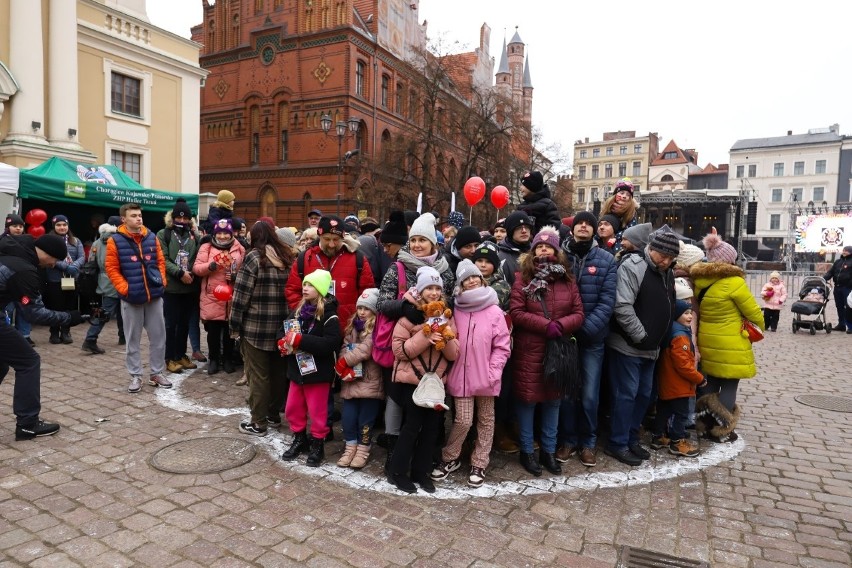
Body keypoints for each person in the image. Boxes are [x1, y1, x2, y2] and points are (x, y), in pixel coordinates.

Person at [376, 212, 455, 472]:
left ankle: (425, 454)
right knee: (398, 401)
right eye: (415, 240)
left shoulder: (446, 270)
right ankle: (394, 451)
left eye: (423, 240)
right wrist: (403, 307)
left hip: (436, 348)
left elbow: (450, 303)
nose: (418, 245)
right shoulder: (397, 267)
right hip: (406, 343)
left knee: (431, 399)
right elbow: (381, 303)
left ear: (434, 243)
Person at [510, 226, 584, 477]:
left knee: (553, 402)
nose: (543, 249)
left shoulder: (567, 279)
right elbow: (516, 312)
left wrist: (561, 325)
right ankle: (527, 451)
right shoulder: (522, 278)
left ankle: (549, 451)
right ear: (532, 251)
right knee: (528, 402)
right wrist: (545, 325)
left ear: (557, 249)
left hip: (558, 351)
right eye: (539, 246)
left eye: (548, 245)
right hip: (530, 350)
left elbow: (578, 313)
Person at [431, 260, 510, 487]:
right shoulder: (456, 309)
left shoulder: (494, 310)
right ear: (460, 285)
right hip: (461, 376)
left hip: (486, 377)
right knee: (463, 420)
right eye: (466, 279)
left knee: (486, 420)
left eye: (475, 276)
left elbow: (502, 346)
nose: (472, 280)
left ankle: (480, 461)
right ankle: (450, 457)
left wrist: (493, 372)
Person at [604, 229, 679, 466]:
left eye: (670, 257)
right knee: (626, 396)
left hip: (651, 348)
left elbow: (669, 303)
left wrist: (659, 338)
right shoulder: (634, 266)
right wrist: (641, 336)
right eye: (662, 255)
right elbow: (623, 306)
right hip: (629, 345)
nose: (665, 260)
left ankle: (631, 438)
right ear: (652, 248)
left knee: (644, 396)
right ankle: (617, 443)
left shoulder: (666, 272)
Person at [0, 233, 87, 440]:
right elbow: (33, 313)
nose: (54, 265)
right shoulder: (24, 270)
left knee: (2, 364)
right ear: (46, 254)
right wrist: (68, 317)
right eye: (55, 260)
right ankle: (28, 424)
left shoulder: (14, 249)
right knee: (29, 361)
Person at [386, 266, 460, 493]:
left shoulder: (446, 316)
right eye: (429, 287)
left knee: (431, 428)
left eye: (438, 288)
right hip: (412, 381)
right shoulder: (409, 317)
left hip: (435, 383)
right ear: (420, 290)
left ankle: (421, 472)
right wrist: (425, 336)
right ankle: (397, 471)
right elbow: (400, 351)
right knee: (411, 427)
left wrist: (445, 339)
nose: (434, 292)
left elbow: (454, 353)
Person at [556, 211, 617, 468]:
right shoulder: (560, 256)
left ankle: (588, 442)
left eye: (589, 224)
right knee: (568, 393)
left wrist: (586, 328)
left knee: (590, 395)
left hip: (592, 339)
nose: (583, 226)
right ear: (572, 229)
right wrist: (566, 328)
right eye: (579, 222)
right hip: (565, 338)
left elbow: (607, 301)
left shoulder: (606, 259)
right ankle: (568, 440)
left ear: (595, 230)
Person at [691, 232, 763, 443]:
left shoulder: (701, 281)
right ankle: (722, 430)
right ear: (729, 260)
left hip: (708, 339)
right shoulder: (734, 282)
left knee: (710, 382)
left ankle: (703, 426)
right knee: (730, 384)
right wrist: (761, 327)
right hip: (731, 341)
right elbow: (753, 312)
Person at [230, 221, 292, 429]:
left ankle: (258, 421)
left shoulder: (253, 257)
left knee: (258, 376)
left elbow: (241, 296)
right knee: (277, 374)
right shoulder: (287, 258)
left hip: (256, 327)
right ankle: (273, 415)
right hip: (281, 326)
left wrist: (235, 325)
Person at [105, 202, 170, 393]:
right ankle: (135, 375)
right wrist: (125, 289)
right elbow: (112, 268)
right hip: (131, 298)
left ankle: (157, 373)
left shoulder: (151, 237)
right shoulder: (115, 241)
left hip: (154, 295)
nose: (138, 218)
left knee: (159, 337)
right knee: (132, 339)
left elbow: (160, 261)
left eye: (139, 215)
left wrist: (162, 281)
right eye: (133, 215)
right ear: (124, 219)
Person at [279, 269, 341, 466]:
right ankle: (299, 438)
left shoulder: (330, 317)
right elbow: (284, 330)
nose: (305, 288)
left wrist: (301, 340)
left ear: (321, 289)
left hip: (318, 374)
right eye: (304, 284)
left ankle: (317, 444)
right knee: (292, 408)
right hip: (297, 371)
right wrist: (282, 342)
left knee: (317, 412)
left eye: (310, 285)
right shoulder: (298, 310)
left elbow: (330, 344)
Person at [335, 288, 383, 469]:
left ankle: (363, 449)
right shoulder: (352, 327)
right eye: (360, 308)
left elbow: (366, 349)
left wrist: (345, 361)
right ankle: (350, 448)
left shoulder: (376, 328)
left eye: (367, 309)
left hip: (370, 381)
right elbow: (345, 346)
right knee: (348, 418)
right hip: (352, 380)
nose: (362, 312)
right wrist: (343, 361)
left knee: (366, 420)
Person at [650, 299, 705, 457]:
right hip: (679, 385)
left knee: (664, 410)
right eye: (685, 313)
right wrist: (699, 378)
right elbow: (683, 366)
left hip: (668, 383)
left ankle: (658, 437)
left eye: (690, 313)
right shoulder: (680, 337)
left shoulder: (673, 330)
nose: (689, 317)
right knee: (681, 414)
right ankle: (677, 442)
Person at [194, 219, 245, 375]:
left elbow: (244, 270)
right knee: (214, 332)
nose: (222, 236)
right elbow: (196, 268)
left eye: (226, 233)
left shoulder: (239, 248)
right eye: (219, 233)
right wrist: (211, 266)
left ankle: (228, 359)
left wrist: (235, 275)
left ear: (231, 233)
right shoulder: (206, 247)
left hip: (231, 295)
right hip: (212, 295)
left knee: (230, 332)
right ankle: (214, 359)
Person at [158, 199, 202, 374]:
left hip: (190, 287)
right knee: (170, 325)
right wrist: (179, 273)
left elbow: (201, 254)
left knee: (184, 323)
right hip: (172, 287)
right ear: (173, 218)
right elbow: (163, 258)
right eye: (179, 218)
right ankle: (169, 358)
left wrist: (190, 273)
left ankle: (181, 354)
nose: (182, 222)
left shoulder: (192, 235)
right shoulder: (164, 234)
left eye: (186, 219)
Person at [81, 220, 122, 355]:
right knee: (111, 312)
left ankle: (122, 337)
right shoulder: (119, 240)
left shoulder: (97, 242)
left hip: (104, 280)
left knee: (105, 310)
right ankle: (90, 339)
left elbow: (91, 262)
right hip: (119, 279)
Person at [44, 214, 85, 345]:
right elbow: (48, 257)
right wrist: (66, 267)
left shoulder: (76, 241)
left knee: (69, 306)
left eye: (64, 225)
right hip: (55, 279)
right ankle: (54, 332)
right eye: (59, 225)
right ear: (54, 226)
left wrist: (74, 266)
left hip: (72, 279)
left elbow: (82, 257)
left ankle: (66, 332)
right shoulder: (48, 240)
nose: (62, 227)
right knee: (56, 307)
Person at [3, 214, 33, 346]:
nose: (18, 229)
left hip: (23, 283)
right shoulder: (2, 241)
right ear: (8, 227)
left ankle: (25, 336)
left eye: (21, 226)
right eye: (15, 226)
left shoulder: (28, 241)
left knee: (25, 309)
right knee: (7, 310)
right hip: (8, 284)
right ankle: (5, 335)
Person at [599, 179, 640, 253]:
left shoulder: (631, 213)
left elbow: (630, 232)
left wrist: (615, 238)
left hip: (621, 243)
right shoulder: (607, 208)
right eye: (622, 193)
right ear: (615, 194)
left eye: (628, 195)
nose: (624, 196)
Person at [497, 210, 534, 287]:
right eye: (519, 228)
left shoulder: (537, 252)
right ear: (510, 231)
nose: (524, 231)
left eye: (527, 227)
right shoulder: (500, 257)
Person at [822, 245, 852, 331]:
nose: (844, 252)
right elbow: (830, 272)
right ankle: (841, 324)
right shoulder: (838, 262)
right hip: (837, 288)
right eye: (843, 250)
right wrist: (823, 279)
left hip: (848, 288)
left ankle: (850, 326)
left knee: (849, 307)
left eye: (846, 251)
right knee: (839, 306)